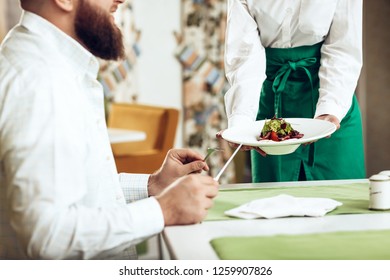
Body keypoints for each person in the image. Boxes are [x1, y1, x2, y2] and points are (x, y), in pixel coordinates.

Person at [0, 0, 219, 260]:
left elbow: (80, 190)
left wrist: (152, 185)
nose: (121, 0)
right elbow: (49, 234)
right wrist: (164, 209)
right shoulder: (40, 82)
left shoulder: (46, 65)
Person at [221, 0, 366, 182]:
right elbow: (244, 57)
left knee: (345, 201)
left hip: (334, 101)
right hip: (272, 106)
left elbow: (343, 49)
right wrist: (240, 122)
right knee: (272, 204)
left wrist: (331, 109)